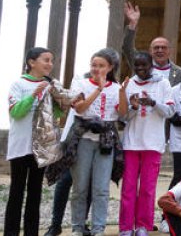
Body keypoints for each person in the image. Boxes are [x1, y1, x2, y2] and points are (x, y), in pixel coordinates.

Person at [7, 46, 70, 236]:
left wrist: (61, 103)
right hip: (20, 146)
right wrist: (34, 94)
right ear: (31, 62)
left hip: (41, 148)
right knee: (16, 193)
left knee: (35, 194)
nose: (50, 64)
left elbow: (56, 115)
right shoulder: (18, 84)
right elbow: (16, 112)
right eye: (46, 60)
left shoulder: (50, 85)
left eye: (51, 61)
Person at [70, 49, 129, 236]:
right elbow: (79, 109)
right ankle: (77, 227)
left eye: (101, 66)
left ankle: (98, 228)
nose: (96, 69)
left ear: (110, 67)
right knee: (80, 187)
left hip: (106, 141)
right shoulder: (81, 83)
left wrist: (121, 92)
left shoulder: (116, 87)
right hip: (84, 139)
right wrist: (98, 89)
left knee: (101, 188)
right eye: (94, 65)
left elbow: (122, 113)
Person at [121, 51, 175, 236]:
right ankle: (126, 227)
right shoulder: (128, 85)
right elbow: (123, 117)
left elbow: (170, 111)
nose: (140, 69)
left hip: (153, 143)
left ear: (151, 65)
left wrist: (153, 102)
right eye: (137, 65)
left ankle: (143, 226)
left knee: (147, 188)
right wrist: (134, 107)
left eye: (144, 65)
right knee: (128, 188)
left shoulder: (163, 83)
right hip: (131, 143)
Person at [122, 2, 181, 85]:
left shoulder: (179, 72)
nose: (160, 50)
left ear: (170, 51)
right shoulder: (140, 64)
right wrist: (133, 24)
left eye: (163, 48)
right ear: (150, 51)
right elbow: (127, 47)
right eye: (156, 48)